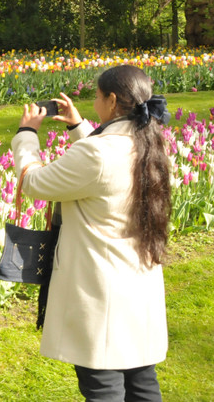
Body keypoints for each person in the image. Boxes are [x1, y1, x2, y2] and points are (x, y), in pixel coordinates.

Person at [12, 64, 171, 402]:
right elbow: (102, 167)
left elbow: (35, 182)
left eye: (98, 97)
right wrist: (77, 124)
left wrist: (26, 134)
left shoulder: (98, 154)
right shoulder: (148, 141)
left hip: (100, 287)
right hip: (139, 279)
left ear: (112, 101)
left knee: (103, 386)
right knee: (142, 380)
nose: (95, 102)